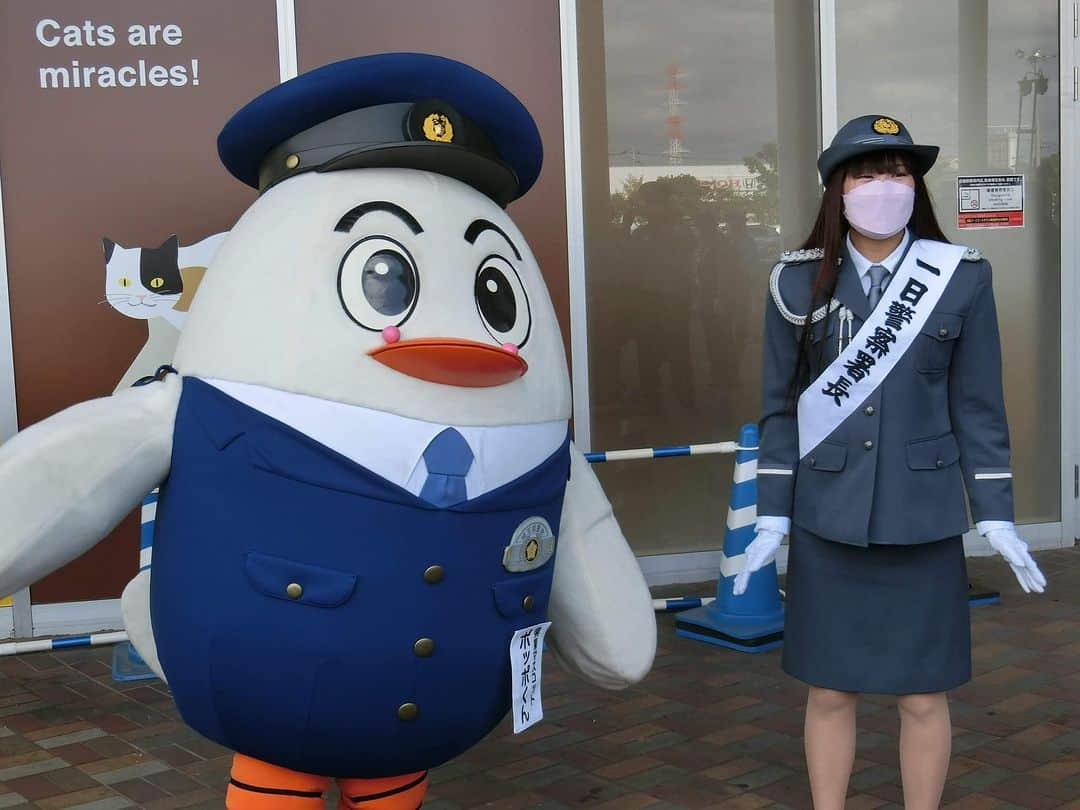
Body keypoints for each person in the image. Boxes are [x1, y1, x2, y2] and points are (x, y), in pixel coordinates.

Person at [733, 114, 1047, 810]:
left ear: (916, 187)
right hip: (829, 517)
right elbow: (781, 411)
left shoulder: (959, 278)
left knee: (924, 696)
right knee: (829, 688)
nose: (884, 185)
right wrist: (772, 518)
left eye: (898, 172)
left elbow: (979, 406)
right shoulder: (794, 285)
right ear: (837, 191)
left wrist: (995, 516)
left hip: (923, 519)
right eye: (866, 173)